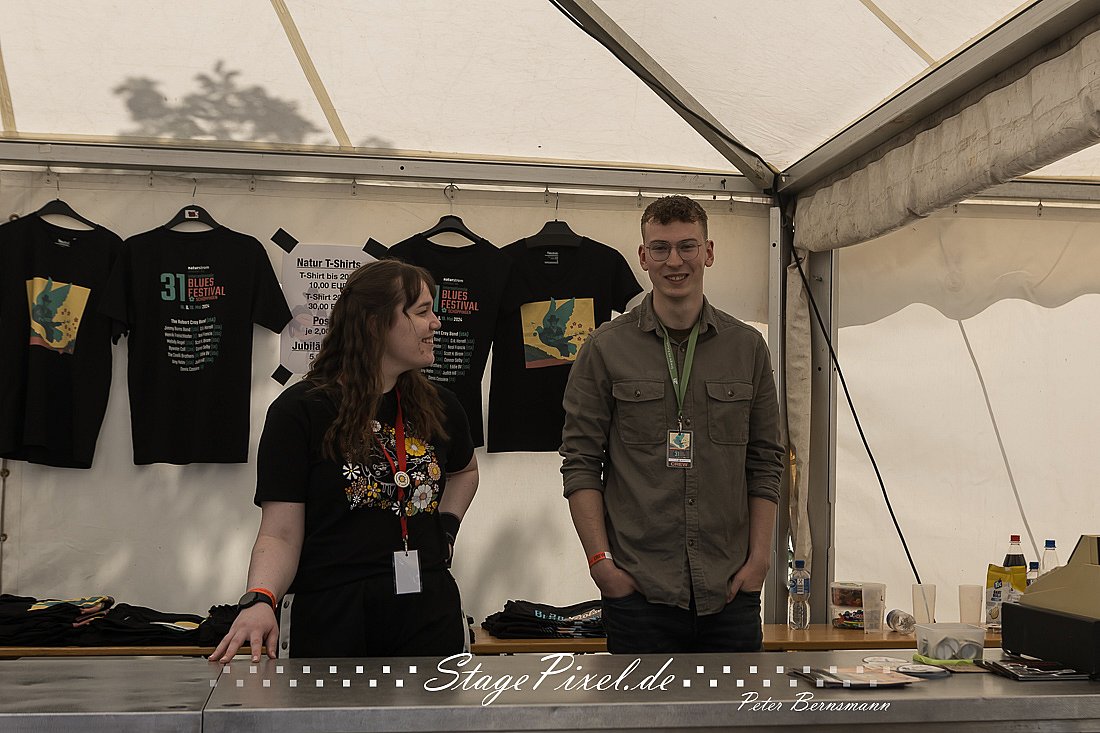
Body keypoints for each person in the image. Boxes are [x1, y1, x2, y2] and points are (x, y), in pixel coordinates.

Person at [210, 259, 478, 661]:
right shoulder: (300, 411)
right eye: (422, 311)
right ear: (375, 323)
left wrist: (447, 529)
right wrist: (261, 598)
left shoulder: (441, 406)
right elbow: (279, 533)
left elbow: (466, 471)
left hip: (427, 613)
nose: (436, 323)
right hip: (333, 617)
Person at [560, 195, 784, 654]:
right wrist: (601, 564)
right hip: (638, 594)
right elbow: (580, 462)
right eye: (660, 248)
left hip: (730, 593)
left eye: (687, 246)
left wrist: (760, 561)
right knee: (643, 708)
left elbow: (765, 462)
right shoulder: (604, 349)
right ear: (643, 257)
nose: (675, 261)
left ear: (709, 252)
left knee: (734, 705)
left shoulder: (747, 348)